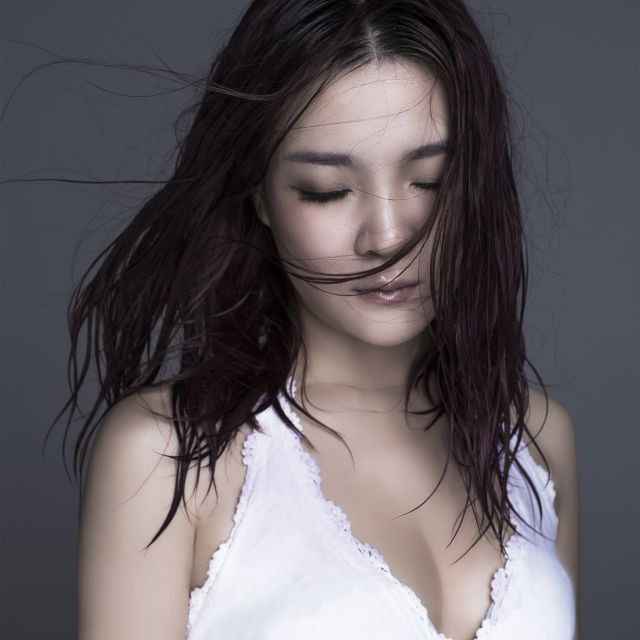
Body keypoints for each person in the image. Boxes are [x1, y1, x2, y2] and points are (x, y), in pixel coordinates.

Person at [69, 1, 580, 638]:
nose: (387, 235)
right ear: (259, 194)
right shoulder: (167, 457)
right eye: (326, 190)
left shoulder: (536, 439)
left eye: (430, 180)